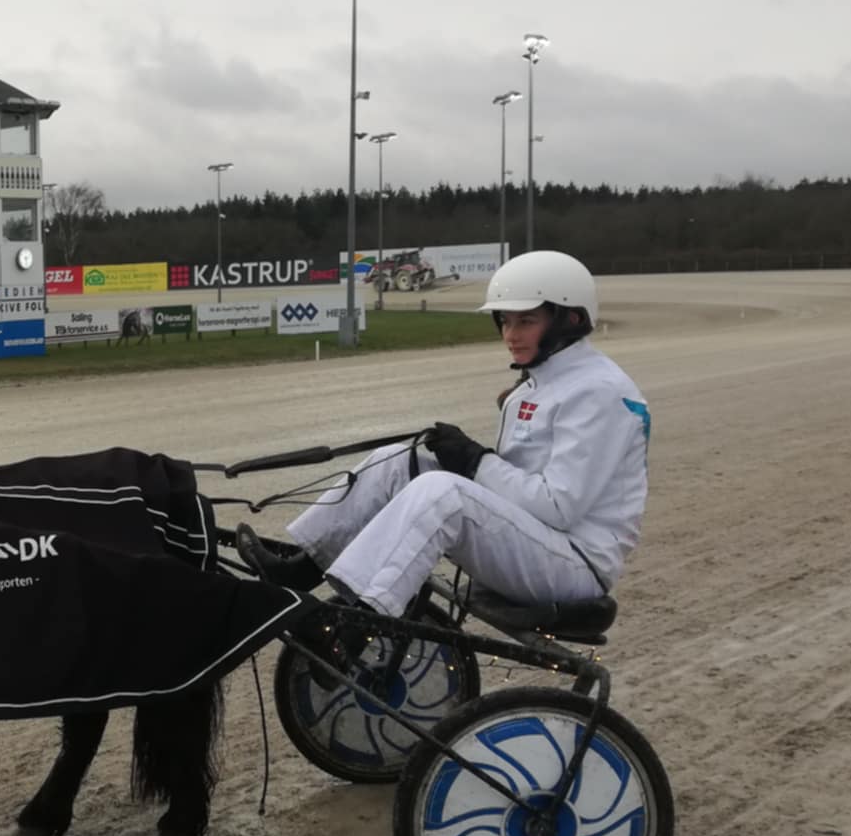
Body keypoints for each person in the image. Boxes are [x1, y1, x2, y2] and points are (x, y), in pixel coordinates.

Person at [240, 250, 651, 618]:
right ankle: (303, 567)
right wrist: (469, 458)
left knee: (444, 494)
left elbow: (558, 508)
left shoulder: (600, 392)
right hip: (539, 543)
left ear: (571, 319)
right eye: (505, 321)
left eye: (526, 321)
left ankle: (363, 614)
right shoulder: (545, 382)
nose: (511, 335)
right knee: (405, 459)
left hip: (575, 565)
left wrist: (475, 461)